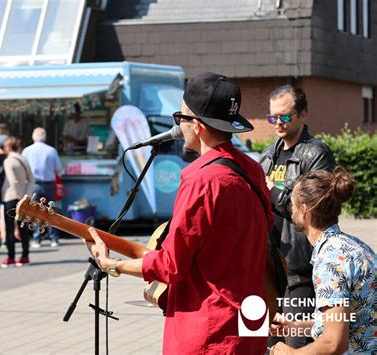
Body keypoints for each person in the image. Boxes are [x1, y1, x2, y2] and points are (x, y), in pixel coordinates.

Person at [86, 73, 272, 354]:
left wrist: (111, 264)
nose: (177, 124)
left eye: (180, 117)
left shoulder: (202, 180)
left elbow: (171, 266)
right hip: (251, 321)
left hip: (210, 329)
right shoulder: (252, 169)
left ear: (196, 125)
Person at [260, 85, 335, 348]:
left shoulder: (317, 154)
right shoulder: (268, 156)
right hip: (268, 267)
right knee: (262, 342)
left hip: (299, 270)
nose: (278, 123)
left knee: (294, 345)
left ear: (303, 114)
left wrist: (271, 190)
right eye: (273, 117)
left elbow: (311, 209)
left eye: (285, 116)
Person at [270, 169, 375, 354]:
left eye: (292, 205)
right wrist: (294, 325)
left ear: (304, 210)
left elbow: (333, 343)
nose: (290, 210)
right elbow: (346, 321)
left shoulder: (330, 260)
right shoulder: (353, 245)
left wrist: (292, 353)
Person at [22, 127, 62, 248]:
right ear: (44, 137)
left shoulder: (26, 151)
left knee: (36, 211)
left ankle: (37, 238)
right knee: (51, 211)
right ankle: (53, 238)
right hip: (49, 184)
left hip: (33, 184)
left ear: (33, 137)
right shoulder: (52, 151)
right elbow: (58, 170)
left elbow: (23, 170)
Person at [0, 137, 34, 268]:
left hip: (10, 196)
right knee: (23, 227)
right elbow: (31, 179)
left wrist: (19, 196)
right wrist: (26, 196)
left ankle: (11, 257)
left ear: (8, 148)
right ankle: (25, 256)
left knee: (9, 228)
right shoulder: (23, 159)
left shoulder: (8, 161)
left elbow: (12, 181)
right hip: (23, 197)